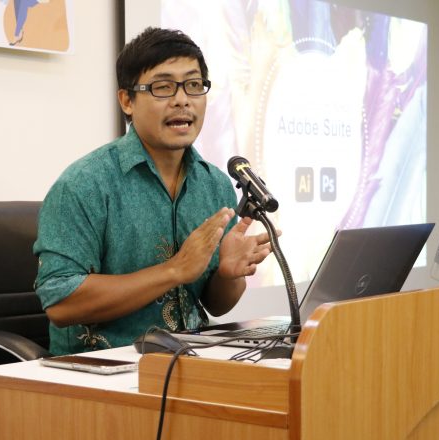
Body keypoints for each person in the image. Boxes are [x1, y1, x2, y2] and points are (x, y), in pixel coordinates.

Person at [33, 27, 272, 356]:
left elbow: (216, 305)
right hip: (101, 370)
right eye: (163, 87)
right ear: (127, 100)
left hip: (191, 359)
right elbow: (60, 303)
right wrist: (174, 270)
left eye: (193, 85)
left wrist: (228, 275)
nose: (182, 100)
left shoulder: (214, 184)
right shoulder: (84, 184)